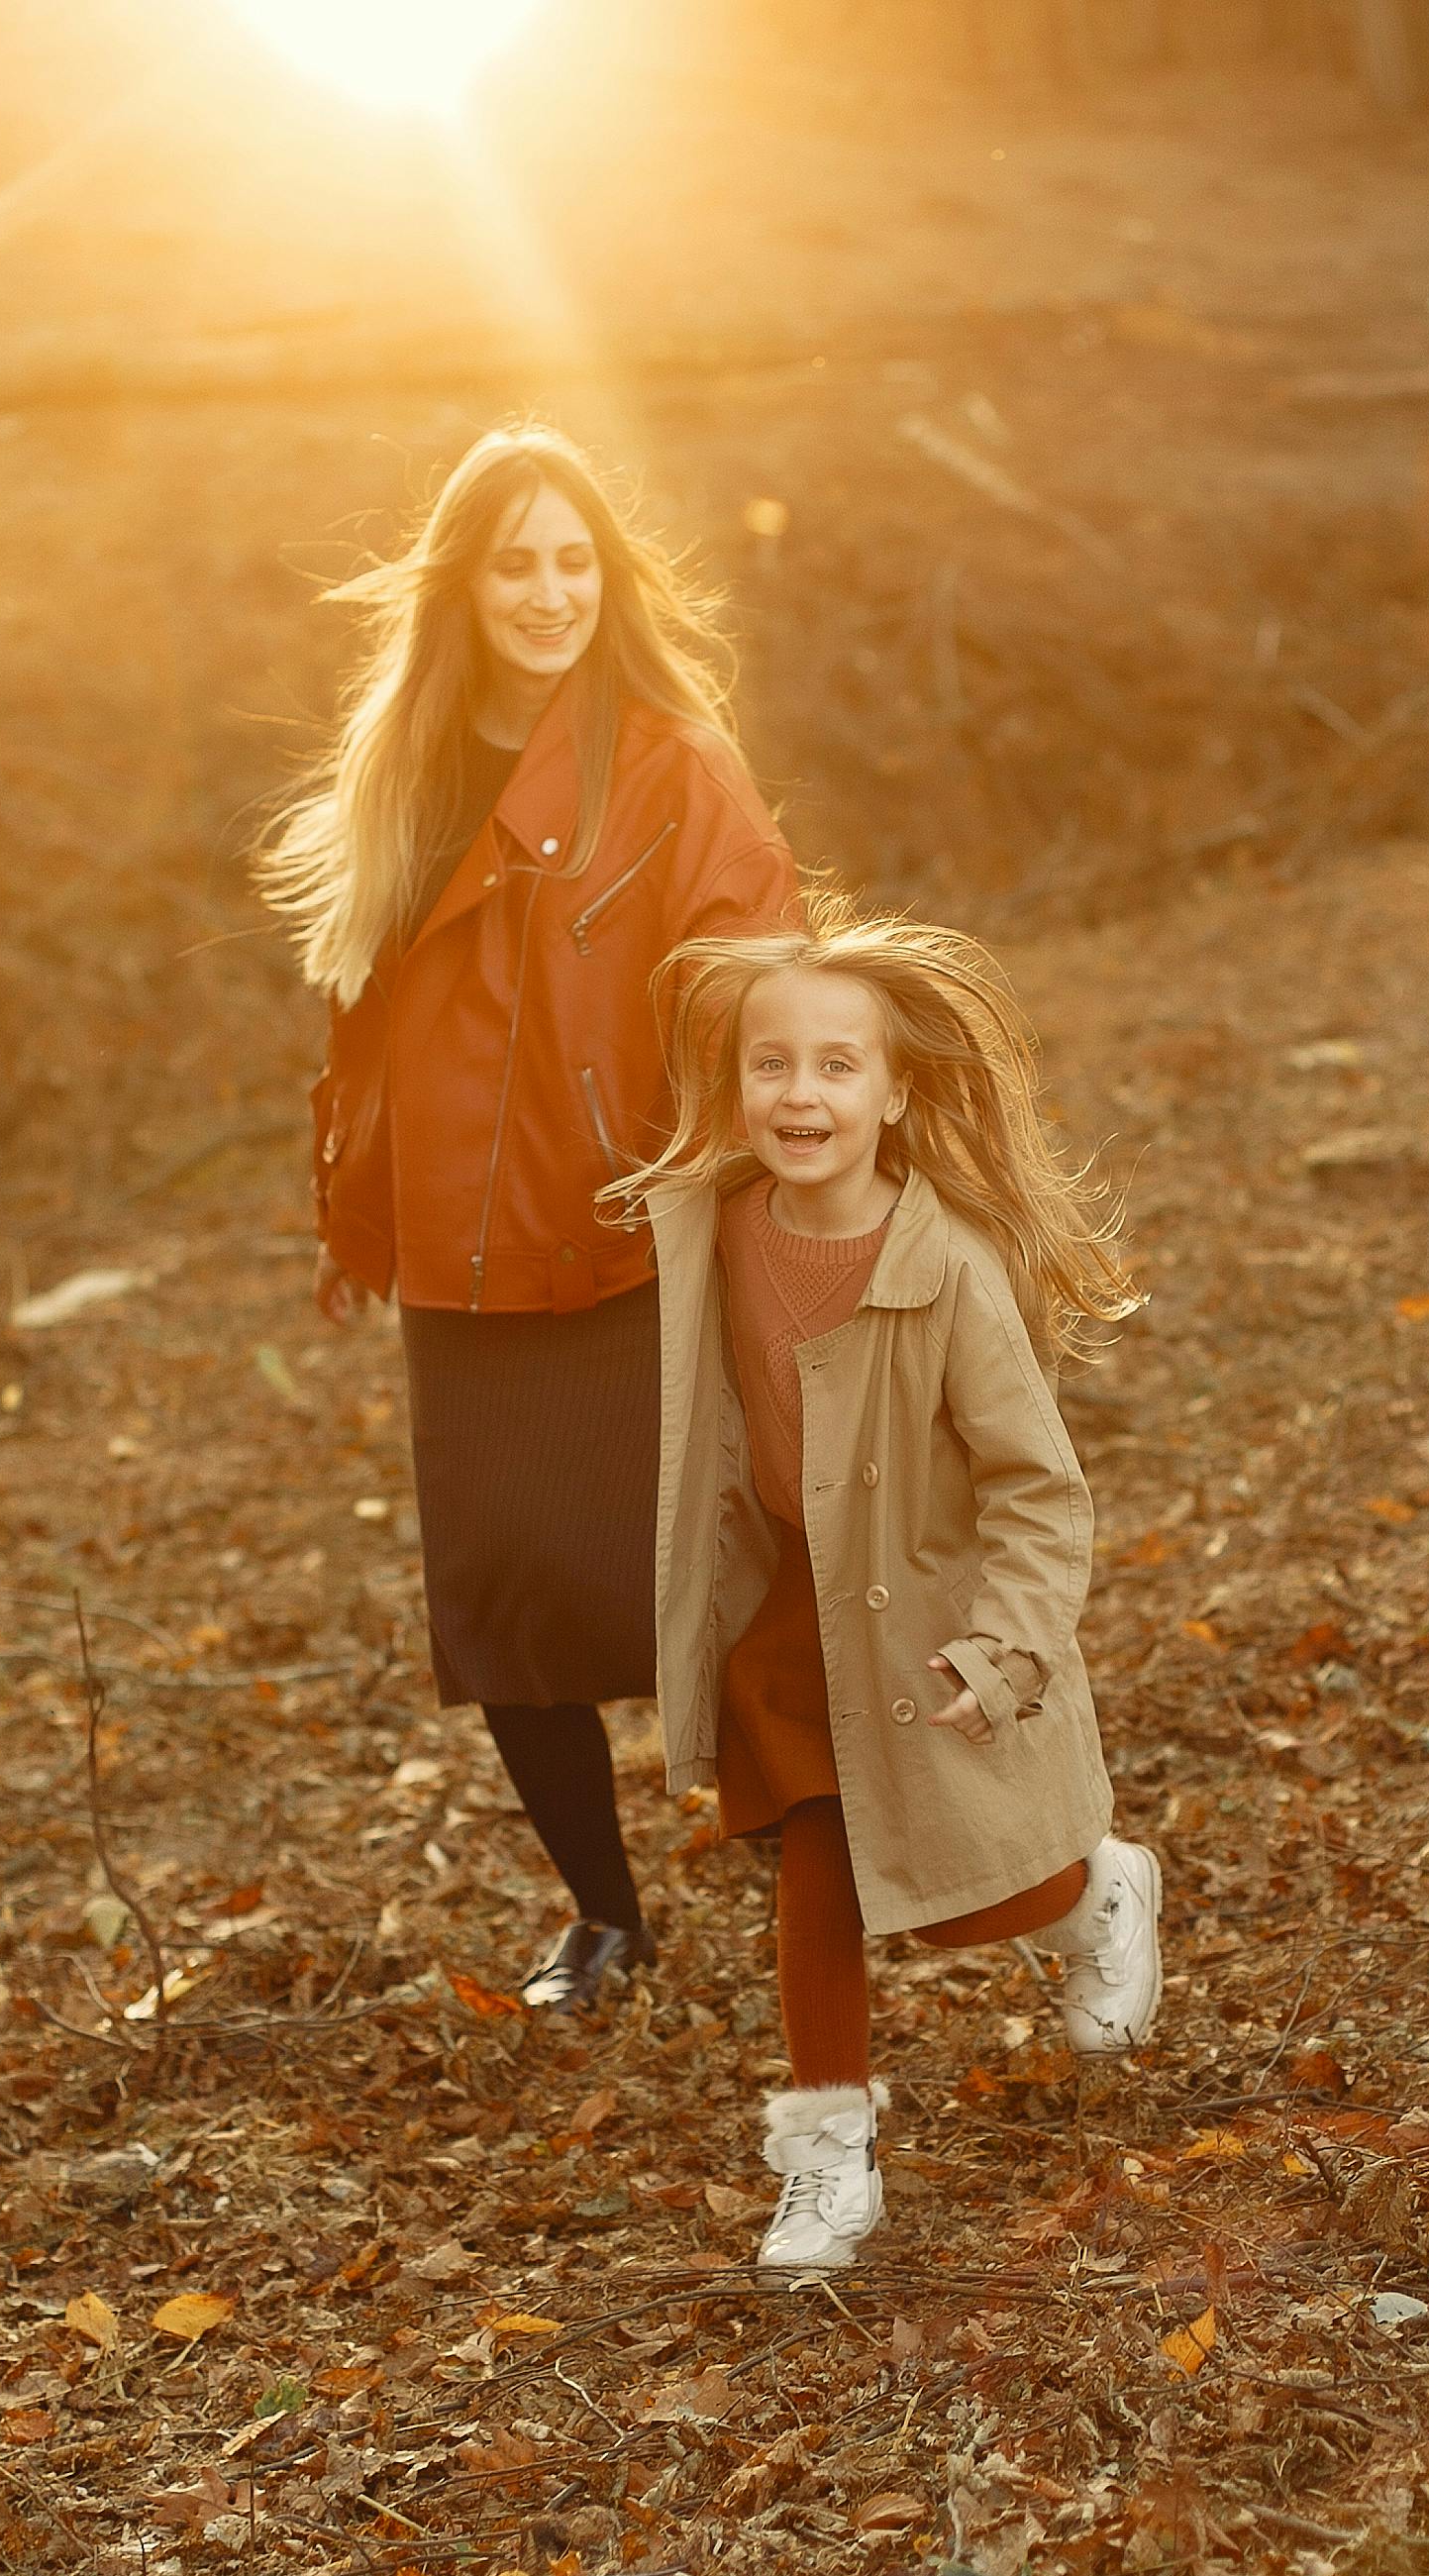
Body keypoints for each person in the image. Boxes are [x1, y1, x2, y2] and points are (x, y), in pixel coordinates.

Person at [264, 424, 798, 2015]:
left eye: (578, 559)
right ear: (467, 582)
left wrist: (768, 1153)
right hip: (466, 1249)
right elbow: (369, 1016)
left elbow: (759, 956)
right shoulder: (405, 764)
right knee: (506, 1601)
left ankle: (814, 1879)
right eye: (519, 560)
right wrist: (357, 1201)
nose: (552, 590)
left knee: (714, 1576)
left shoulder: (669, 762)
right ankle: (606, 1918)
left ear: (607, 578)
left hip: (636, 1222)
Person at [615, 905, 1162, 2271]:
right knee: (819, 1862)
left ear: (896, 1089)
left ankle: (1095, 1890)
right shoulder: (717, 1227)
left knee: (974, 1894)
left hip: (929, 1614)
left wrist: (1010, 1645)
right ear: (735, 1086)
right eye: (771, 1063)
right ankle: (827, 2158)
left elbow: (1038, 1487)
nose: (801, 1094)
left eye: (837, 1066)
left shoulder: (950, 1271)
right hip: (795, 1605)